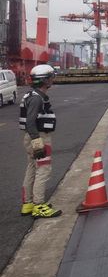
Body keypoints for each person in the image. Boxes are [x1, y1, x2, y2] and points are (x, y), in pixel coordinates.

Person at [19, 64, 61, 218]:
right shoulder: (37, 99)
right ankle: (39, 205)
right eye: (51, 76)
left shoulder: (31, 95)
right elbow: (31, 122)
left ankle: (28, 203)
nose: (52, 79)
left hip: (31, 137)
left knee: (31, 169)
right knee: (43, 170)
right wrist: (38, 143)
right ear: (45, 80)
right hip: (38, 136)